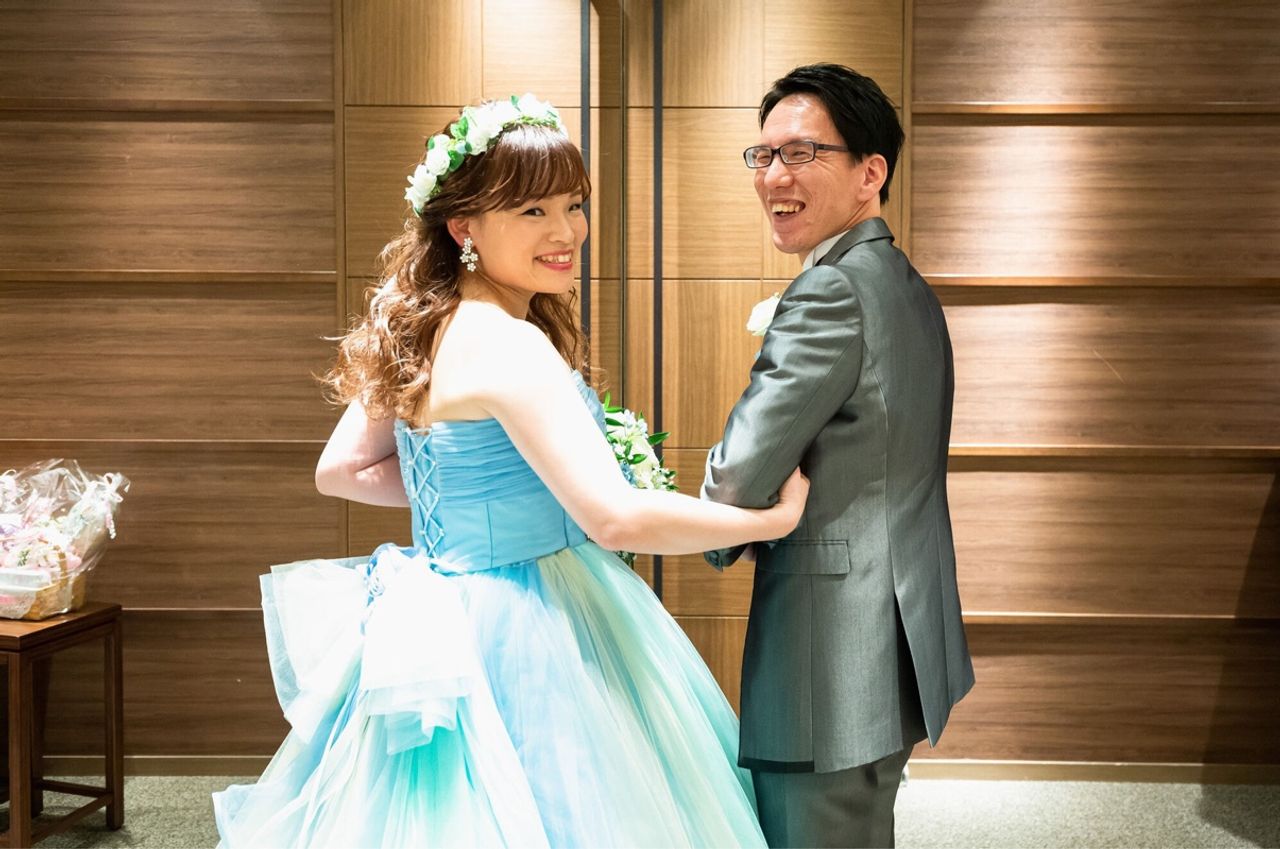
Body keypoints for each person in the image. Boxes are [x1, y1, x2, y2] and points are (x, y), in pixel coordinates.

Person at [212, 94, 808, 848]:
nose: (566, 232)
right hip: (531, 616)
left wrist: (476, 500)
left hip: (439, 607)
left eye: (573, 205)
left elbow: (342, 470)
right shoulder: (509, 343)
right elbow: (614, 519)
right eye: (532, 211)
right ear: (464, 226)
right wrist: (769, 519)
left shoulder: (422, 326)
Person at [701, 64, 975, 848]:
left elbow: (739, 475)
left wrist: (699, 516)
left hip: (832, 653)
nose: (773, 176)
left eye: (800, 153)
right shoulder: (902, 281)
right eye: (762, 155)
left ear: (870, 172)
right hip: (891, 633)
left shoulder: (829, 292)